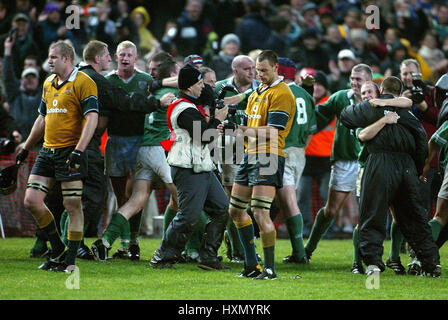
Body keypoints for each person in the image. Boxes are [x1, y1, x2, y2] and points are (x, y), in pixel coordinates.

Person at [340, 76, 441, 277]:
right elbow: (422, 142)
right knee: (414, 218)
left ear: (381, 89)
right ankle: (431, 263)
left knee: (372, 214)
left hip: (379, 162)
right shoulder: (409, 113)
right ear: (400, 91)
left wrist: (373, 110)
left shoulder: (372, 106)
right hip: (407, 167)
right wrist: (419, 170)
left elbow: (345, 117)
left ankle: (372, 263)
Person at [15, 40, 99, 273]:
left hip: (70, 150)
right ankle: (58, 250)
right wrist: (26, 146)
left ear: (66, 59)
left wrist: (79, 150)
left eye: (53, 57)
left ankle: (69, 261)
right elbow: (42, 119)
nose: (49, 61)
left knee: (72, 204)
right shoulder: (48, 83)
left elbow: (91, 118)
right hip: (47, 151)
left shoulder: (84, 82)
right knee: (31, 201)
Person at [91, 51, 178, 261]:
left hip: (141, 149)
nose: (150, 73)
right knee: (183, 197)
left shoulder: (147, 88)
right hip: (158, 149)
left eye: (153, 70)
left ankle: (105, 242)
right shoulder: (171, 93)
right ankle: (190, 250)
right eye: (149, 69)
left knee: (135, 200)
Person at [149, 64, 229, 270]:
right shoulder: (184, 109)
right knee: (188, 216)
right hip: (187, 167)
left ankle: (208, 257)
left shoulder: (189, 105)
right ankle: (162, 256)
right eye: (200, 83)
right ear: (189, 86)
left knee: (221, 208)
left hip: (201, 165)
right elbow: (203, 136)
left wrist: (213, 119)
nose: (203, 87)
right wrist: (218, 120)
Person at [227, 50, 296, 280]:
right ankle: (250, 264)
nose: (260, 74)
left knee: (259, 212)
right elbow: (250, 124)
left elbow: (273, 131)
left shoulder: (282, 93)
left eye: (264, 70)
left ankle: (269, 269)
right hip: (250, 155)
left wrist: (244, 131)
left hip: (269, 155)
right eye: (258, 70)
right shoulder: (257, 92)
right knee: (235, 210)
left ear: (276, 68)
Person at [304, 64, 372, 261]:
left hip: (369, 162)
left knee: (366, 213)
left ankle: (359, 261)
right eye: (352, 78)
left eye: (358, 79)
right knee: (330, 210)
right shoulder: (341, 97)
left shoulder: (377, 100)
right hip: (344, 161)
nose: (354, 82)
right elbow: (316, 119)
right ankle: (307, 250)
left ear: (368, 80)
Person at [103, 40, 153, 260]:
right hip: (115, 141)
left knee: (134, 196)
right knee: (120, 196)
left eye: (129, 55)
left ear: (136, 58)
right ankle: (125, 246)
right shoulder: (107, 81)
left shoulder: (146, 80)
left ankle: (133, 242)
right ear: (116, 57)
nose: (125, 58)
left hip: (139, 142)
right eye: (122, 54)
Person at [214, 55, 259, 262]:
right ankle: (240, 249)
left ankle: (235, 241)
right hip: (229, 147)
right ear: (235, 71)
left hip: (256, 146)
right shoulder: (221, 87)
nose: (252, 72)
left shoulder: (260, 88)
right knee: (235, 199)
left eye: (253, 68)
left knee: (256, 200)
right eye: (247, 69)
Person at [275, 57, 316, 264]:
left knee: (288, 202)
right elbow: (311, 129)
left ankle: (300, 254)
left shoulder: (281, 93)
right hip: (299, 151)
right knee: (278, 200)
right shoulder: (306, 96)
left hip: (282, 150)